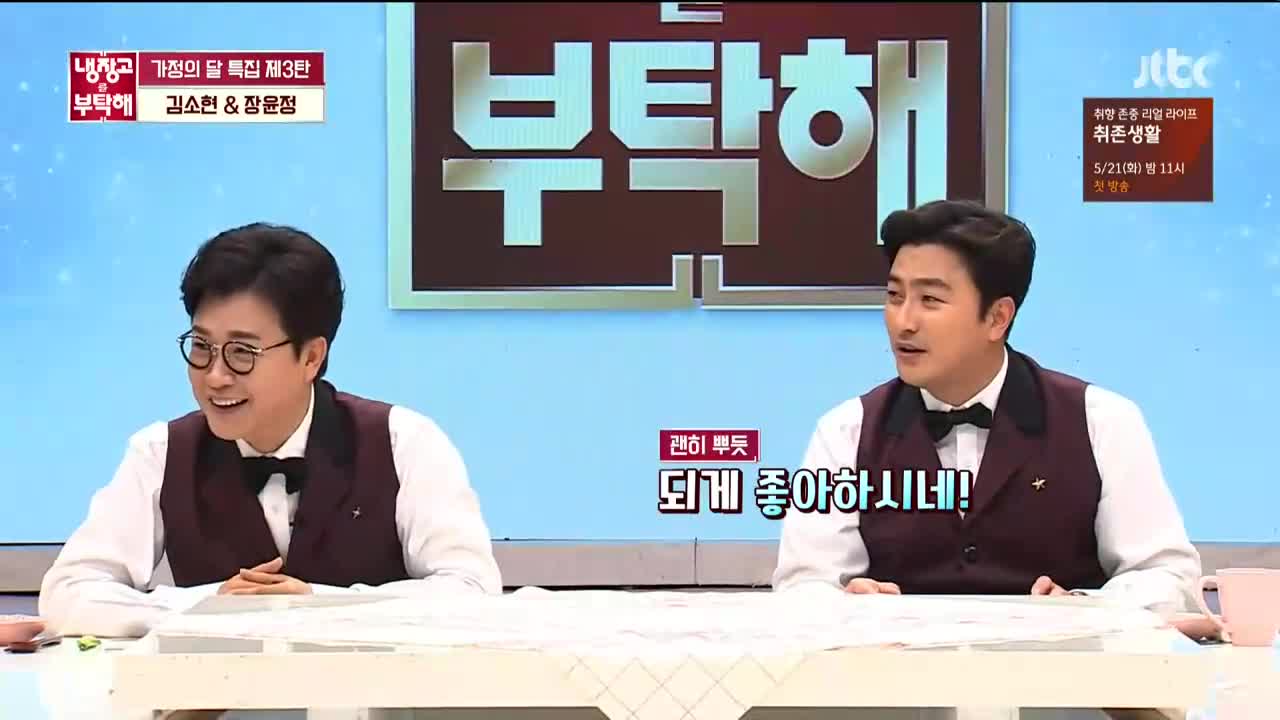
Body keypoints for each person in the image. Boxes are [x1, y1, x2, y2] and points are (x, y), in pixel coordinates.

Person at [39, 223, 503, 638]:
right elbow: (68, 593)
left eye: (242, 353)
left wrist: (320, 606)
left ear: (311, 357)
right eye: (201, 346)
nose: (215, 376)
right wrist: (204, 606)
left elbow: (472, 590)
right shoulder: (160, 452)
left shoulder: (404, 442)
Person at [771, 200, 1201, 614]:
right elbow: (804, 586)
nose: (904, 321)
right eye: (895, 295)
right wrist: (848, 605)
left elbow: (1166, 577)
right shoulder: (847, 432)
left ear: (998, 317)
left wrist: (1085, 608)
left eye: (930, 300)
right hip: (893, 662)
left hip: (1062, 663)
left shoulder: (1101, 421)